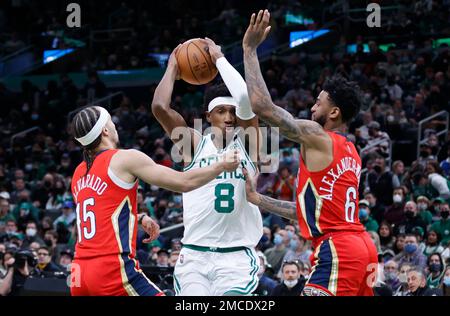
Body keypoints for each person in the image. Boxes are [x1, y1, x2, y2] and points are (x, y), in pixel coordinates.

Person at [243, 9, 378, 296]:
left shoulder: (317, 137)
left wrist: (250, 49)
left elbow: (262, 107)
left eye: (318, 103)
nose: (312, 107)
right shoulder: (351, 151)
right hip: (363, 248)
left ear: (334, 111)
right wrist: (258, 199)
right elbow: (308, 213)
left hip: (339, 250)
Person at [69, 106, 240, 296]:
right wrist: (221, 165)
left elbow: (99, 214)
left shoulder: (78, 173)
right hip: (110, 269)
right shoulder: (125, 158)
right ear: (105, 130)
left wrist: (139, 217)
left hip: (79, 273)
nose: (115, 125)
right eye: (111, 121)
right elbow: (184, 182)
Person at [152, 38, 263, 296]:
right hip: (194, 255)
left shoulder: (251, 144)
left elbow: (246, 98)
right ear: (208, 116)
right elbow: (159, 107)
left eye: (233, 111)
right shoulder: (192, 144)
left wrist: (219, 60)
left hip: (236, 256)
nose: (229, 117)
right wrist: (172, 66)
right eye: (222, 111)